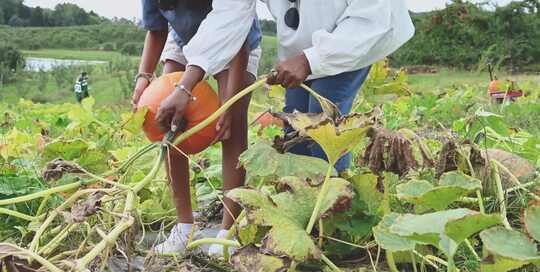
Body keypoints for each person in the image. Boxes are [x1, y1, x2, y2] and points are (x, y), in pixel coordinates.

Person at [170, 0, 412, 173]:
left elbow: (370, 18)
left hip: (353, 41)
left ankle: (332, 211)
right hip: (301, 46)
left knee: (324, 124)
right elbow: (228, 16)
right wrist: (186, 85)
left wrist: (309, 60)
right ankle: (301, 201)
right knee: (295, 126)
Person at [131, 0, 262, 256]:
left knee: (232, 127)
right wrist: (144, 76)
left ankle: (228, 231)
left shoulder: (231, 19)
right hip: (182, 39)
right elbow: (157, 30)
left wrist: (227, 105)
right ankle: (184, 227)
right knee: (166, 119)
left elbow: (236, 34)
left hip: (234, 38)